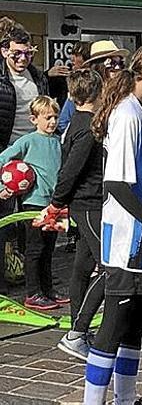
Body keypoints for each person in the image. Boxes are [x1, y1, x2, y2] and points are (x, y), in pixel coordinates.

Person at [82, 43, 142, 405]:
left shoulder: (140, 112)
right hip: (127, 242)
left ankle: (126, 397)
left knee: (136, 321)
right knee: (113, 326)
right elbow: (117, 184)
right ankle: (92, 401)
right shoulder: (127, 115)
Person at [51, 69, 105, 360]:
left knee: (82, 267)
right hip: (89, 203)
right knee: (109, 269)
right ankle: (77, 332)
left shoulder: (76, 122)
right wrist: (56, 202)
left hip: (84, 203)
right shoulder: (88, 127)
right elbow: (72, 169)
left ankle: (78, 329)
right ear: (98, 94)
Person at [0, 95, 62, 310]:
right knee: (35, 248)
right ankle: (32, 293)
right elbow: (3, 159)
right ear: (34, 119)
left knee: (48, 249)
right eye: (47, 118)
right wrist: (4, 189)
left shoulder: (57, 141)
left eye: (55, 117)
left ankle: (47, 290)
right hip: (33, 204)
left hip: (53, 204)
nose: (52, 122)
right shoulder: (28, 141)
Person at [54, 40, 91, 131]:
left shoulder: (91, 84)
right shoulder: (66, 79)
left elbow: (63, 122)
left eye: (77, 55)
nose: (72, 58)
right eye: (72, 54)